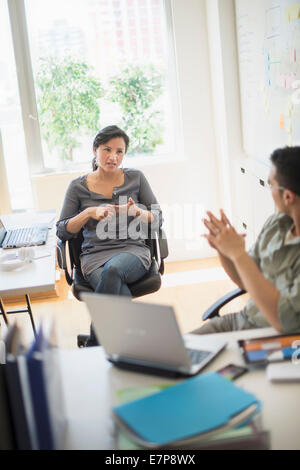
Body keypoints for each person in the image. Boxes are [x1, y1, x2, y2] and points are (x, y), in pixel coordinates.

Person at [57, 125, 162, 345]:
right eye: (107, 149)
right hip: (94, 258)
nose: (113, 157)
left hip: (133, 252)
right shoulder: (77, 187)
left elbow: (158, 218)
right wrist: (87, 213)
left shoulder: (136, 178)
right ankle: (136, 346)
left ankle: (95, 346)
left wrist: (137, 212)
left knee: (113, 270)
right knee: (116, 290)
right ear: (95, 150)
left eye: (119, 151)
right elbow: (62, 231)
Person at [193, 146, 300, 335]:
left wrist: (238, 253)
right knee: (177, 351)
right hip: (244, 319)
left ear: (288, 196)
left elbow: (284, 323)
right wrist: (225, 251)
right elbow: (245, 281)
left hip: (273, 336)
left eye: (271, 185)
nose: (270, 191)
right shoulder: (276, 224)